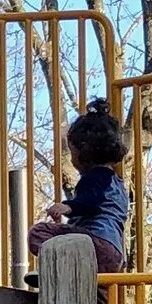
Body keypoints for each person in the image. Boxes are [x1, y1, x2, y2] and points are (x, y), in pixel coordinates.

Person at [29, 102, 130, 273]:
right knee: (99, 297)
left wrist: (69, 207)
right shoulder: (117, 183)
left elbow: (92, 200)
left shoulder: (95, 177)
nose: (71, 159)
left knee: (38, 232)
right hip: (115, 254)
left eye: (73, 152)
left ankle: (57, 272)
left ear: (85, 152)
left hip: (94, 245)